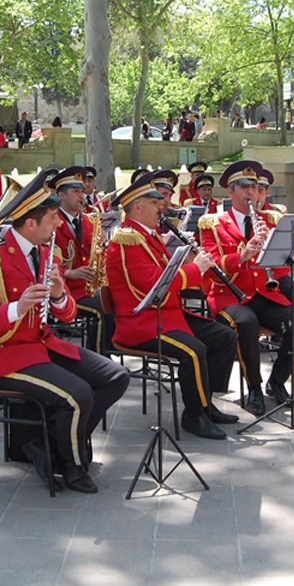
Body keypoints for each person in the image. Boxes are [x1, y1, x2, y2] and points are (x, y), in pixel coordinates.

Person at [0, 171, 129, 493]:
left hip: (41, 345)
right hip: (5, 355)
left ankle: (50, 445)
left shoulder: (44, 252)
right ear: (30, 224)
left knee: (115, 377)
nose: (58, 224)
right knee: (78, 394)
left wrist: (57, 292)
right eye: (53, 218)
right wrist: (17, 308)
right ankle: (71, 464)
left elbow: (66, 316)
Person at [107, 171, 237, 440]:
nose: (161, 206)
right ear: (137, 206)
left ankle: (205, 402)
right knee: (193, 351)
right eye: (155, 203)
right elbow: (152, 284)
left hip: (167, 314)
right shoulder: (127, 239)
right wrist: (194, 269)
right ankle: (193, 416)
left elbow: (167, 272)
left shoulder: (149, 234)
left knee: (224, 336)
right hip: (141, 323)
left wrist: (190, 258)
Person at [197, 161, 294, 415]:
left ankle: (277, 381)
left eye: (254, 187)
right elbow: (212, 266)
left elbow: (281, 271)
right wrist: (244, 254)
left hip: (265, 293)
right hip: (230, 297)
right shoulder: (212, 224)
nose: (251, 192)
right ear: (230, 192)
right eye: (245, 187)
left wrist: (276, 252)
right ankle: (255, 388)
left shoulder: (270, 220)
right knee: (246, 324)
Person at [52, 167, 108, 355]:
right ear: (61, 195)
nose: (82, 196)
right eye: (76, 192)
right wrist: (68, 273)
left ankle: (103, 350)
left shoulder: (90, 222)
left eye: (83, 191)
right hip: (65, 290)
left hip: (88, 288)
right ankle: (100, 359)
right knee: (101, 311)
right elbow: (41, 262)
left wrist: (102, 248)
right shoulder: (50, 222)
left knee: (115, 302)